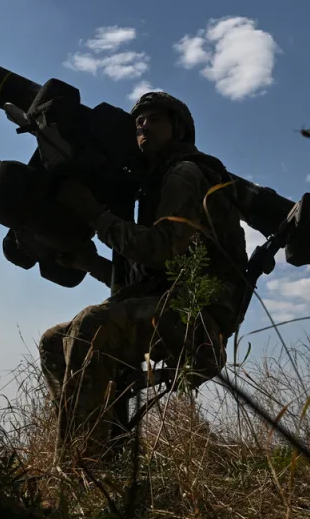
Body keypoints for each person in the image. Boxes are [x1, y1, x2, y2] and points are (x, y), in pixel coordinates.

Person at [38, 92, 249, 464]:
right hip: (167, 307)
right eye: (139, 122)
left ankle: (81, 466)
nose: (144, 127)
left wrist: (95, 215)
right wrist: (90, 262)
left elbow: (160, 248)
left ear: (179, 129)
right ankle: (102, 450)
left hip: (197, 318)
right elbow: (142, 284)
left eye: (155, 120)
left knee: (92, 325)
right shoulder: (148, 188)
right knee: (54, 341)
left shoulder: (184, 174)